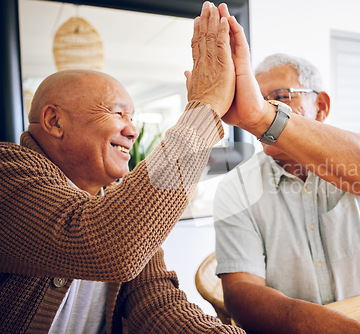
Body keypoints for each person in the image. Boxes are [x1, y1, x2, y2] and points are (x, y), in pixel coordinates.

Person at [0, 3, 246, 333]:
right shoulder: (7, 170)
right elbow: (104, 244)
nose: (132, 131)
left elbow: (159, 304)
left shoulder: (118, 202)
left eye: (132, 117)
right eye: (117, 114)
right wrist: (205, 110)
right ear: (54, 121)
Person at [214, 53, 360, 334]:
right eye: (256, 99)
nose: (264, 109)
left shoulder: (353, 157)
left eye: (280, 96)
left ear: (321, 106)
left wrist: (267, 119)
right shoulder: (236, 187)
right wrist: (314, 324)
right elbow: (241, 293)